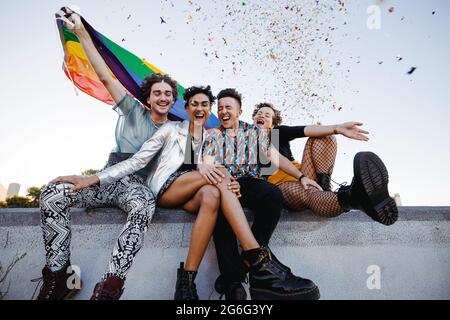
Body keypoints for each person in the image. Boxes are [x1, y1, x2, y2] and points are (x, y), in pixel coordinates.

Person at [37, 9, 179, 300]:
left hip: (138, 188)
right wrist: (80, 32)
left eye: (168, 94)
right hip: (106, 182)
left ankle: (110, 286)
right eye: (157, 93)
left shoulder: (178, 132)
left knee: (143, 207)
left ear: (173, 100)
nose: (162, 97)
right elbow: (104, 73)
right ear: (148, 97)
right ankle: (59, 274)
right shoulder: (132, 110)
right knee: (52, 194)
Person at [205, 89, 322, 300]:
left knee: (272, 195)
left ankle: (249, 261)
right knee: (221, 218)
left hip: (250, 181)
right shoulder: (212, 134)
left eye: (228, 107)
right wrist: (223, 180)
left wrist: (301, 176)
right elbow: (205, 164)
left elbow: (274, 156)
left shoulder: (253, 133)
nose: (223, 111)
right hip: (222, 183)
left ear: (239, 111)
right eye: (220, 107)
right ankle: (233, 283)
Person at [252, 102, 398, 225]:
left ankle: (324, 187)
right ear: (253, 118)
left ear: (273, 123)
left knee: (323, 134)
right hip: (281, 187)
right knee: (307, 192)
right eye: (259, 113)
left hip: (304, 174)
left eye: (267, 115)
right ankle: (353, 199)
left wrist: (337, 128)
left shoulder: (277, 133)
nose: (261, 116)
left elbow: (305, 130)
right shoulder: (245, 140)